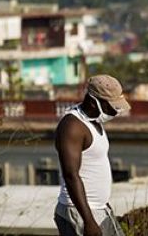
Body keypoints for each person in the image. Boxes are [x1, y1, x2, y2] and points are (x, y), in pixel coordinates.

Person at [54, 75, 130, 236]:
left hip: (99, 210)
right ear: (92, 102)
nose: (114, 112)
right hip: (79, 212)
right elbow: (70, 175)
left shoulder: (93, 121)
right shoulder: (72, 127)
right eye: (110, 107)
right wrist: (88, 221)